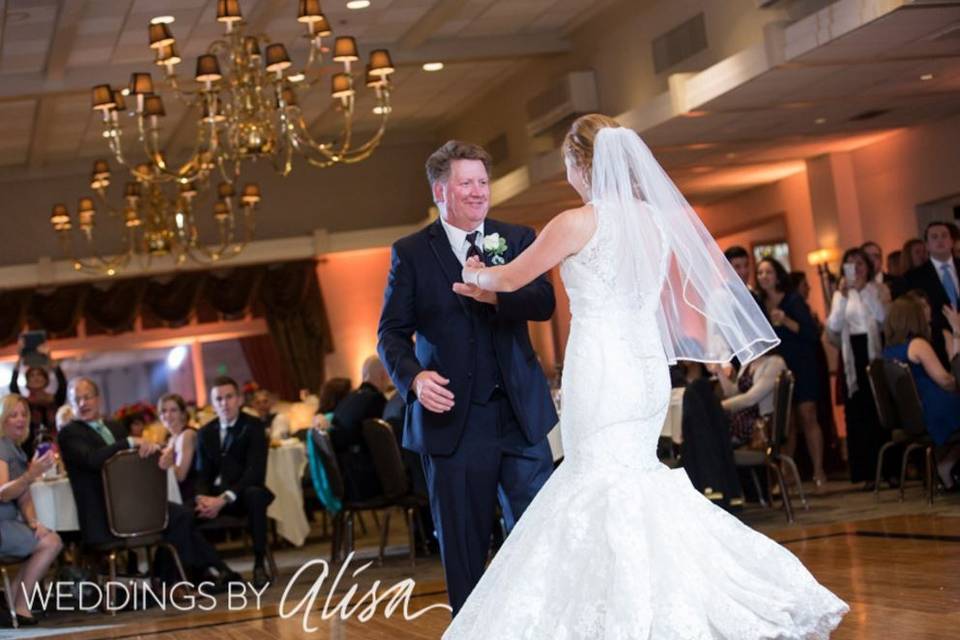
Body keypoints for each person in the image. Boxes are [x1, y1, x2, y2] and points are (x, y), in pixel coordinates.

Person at [441, 114, 847, 638]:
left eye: (566, 162)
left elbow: (516, 276)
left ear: (580, 163)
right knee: (636, 477)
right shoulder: (655, 222)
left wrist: (474, 274)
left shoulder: (575, 222)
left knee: (599, 479)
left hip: (602, 366)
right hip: (646, 366)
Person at [378, 140, 557, 614]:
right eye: (467, 183)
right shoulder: (412, 253)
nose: (479, 192)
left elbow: (543, 301)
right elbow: (391, 334)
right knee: (464, 547)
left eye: (483, 182)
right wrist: (415, 380)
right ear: (441, 191)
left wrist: (496, 294)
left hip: (521, 415)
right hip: (453, 422)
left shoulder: (516, 238)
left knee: (539, 535)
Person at [57, 378, 235, 588]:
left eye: (87, 397)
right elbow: (92, 459)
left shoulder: (115, 426)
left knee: (182, 515)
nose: (82, 403)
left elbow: (137, 462)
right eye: (76, 399)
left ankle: (178, 576)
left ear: (98, 399)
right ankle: (205, 573)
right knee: (178, 520)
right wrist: (129, 441)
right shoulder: (69, 433)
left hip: (134, 506)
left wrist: (157, 458)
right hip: (104, 517)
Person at [195, 376, 274, 589]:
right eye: (219, 399)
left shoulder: (254, 426)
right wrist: (202, 498)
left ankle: (259, 564)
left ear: (239, 399)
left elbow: (255, 472)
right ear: (213, 404)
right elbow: (202, 474)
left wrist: (224, 498)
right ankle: (218, 570)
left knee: (255, 495)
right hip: (215, 496)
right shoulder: (205, 433)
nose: (224, 403)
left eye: (229, 397)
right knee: (184, 515)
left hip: (242, 493)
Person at [756, 256, 828, 489]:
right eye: (760, 273)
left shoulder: (793, 300)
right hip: (777, 368)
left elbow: (810, 333)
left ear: (778, 275)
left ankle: (818, 470)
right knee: (786, 423)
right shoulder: (759, 304)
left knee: (808, 415)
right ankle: (787, 474)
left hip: (803, 363)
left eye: (768, 272)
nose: (764, 277)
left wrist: (785, 320)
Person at [883, 296, 960, 489]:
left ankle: (945, 468)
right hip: (934, 409)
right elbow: (946, 381)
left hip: (915, 413)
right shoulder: (918, 345)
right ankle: (946, 465)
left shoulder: (889, 351)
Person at [827, 248, 889, 486]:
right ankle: (866, 473)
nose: (856, 268)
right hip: (852, 352)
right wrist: (842, 296)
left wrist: (864, 292)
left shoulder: (876, 290)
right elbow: (833, 325)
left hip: (874, 351)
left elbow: (882, 319)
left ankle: (887, 469)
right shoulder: (840, 294)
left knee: (879, 410)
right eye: (850, 264)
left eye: (860, 263)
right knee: (857, 414)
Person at [0, 395, 63, 626]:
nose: (19, 419)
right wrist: (30, 474)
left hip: (9, 522)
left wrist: (34, 522)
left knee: (48, 538)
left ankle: (15, 598)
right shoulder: (1, 446)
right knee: (52, 543)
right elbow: (3, 492)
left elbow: (24, 495)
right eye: (13, 415)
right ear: (2, 419)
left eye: (23, 414)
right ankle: (19, 602)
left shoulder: (15, 449)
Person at [321, 356, 390, 501]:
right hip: (367, 485)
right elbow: (388, 446)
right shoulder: (375, 400)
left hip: (345, 481)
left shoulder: (348, 399)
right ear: (384, 374)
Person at [902, 221, 960, 367]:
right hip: (936, 347)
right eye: (934, 237)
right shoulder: (913, 277)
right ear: (927, 245)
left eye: (944, 236)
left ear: (952, 242)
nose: (940, 240)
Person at [715, 352, 788, 447]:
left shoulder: (776, 362)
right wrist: (718, 370)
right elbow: (733, 394)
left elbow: (750, 399)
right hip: (741, 415)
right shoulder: (747, 362)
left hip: (759, 422)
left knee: (714, 425)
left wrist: (718, 406)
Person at [9, 358, 67, 459]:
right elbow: (13, 387)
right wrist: (17, 367)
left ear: (46, 379)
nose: (36, 378)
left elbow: (62, 385)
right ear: (27, 380)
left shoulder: (54, 401)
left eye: (39, 374)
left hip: (55, 447)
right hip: (30, 450)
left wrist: (54, 366)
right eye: (32, 375)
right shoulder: (24, 403)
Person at [157, 393, 198, 503]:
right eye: (164, 411)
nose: (168, 415)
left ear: (183, 414)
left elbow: (181, 476)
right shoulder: (171, 439)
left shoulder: (188, 434)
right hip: (177, 493)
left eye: (173, 410)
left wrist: (167, 463)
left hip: (191, 497)